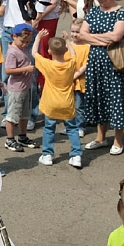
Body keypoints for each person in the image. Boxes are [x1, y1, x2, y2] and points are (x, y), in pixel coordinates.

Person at [80, 0, 124, 154]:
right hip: (96, 61)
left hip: (116, 62)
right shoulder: (93, 11)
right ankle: (100, 137)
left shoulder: (122, 12)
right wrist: (104, 38)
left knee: (116, 99)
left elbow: (116, 37)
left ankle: (118, 140)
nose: (99, 0)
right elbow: (82, 35)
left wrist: (94, 38)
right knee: (99, 98)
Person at [33, 31, 85, 167]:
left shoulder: (48, 64)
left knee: (49, 128)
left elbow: (34, 54)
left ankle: (47, 154)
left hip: (51, 103)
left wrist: (38, 38)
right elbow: (73, 54)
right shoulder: (70, 64)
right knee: (72, 128)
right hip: (67, 103)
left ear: (49, 51)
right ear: (65, 50)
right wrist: (67, 41)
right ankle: (76, 154)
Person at [1, 22, 36, 151]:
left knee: (24, 114)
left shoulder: (23, 48)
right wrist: (26, 69)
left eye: (28, 42)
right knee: (12, 115)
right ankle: (10, 139)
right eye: (23, 41)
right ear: (14, 36)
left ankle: (22, 136)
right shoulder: (12, 52)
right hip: (16, 88)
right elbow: (8, 70)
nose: (25, 44)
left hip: (26, 86)